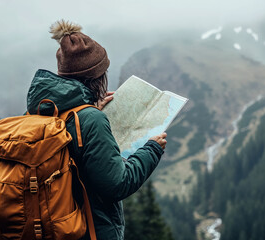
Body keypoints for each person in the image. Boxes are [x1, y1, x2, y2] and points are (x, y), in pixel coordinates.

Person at [25, 19, 167, 240]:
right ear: (95, 77)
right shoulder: (91, 120)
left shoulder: (39, 111)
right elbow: (118, 184)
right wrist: (152, 149)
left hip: (50, 230)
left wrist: (88, 109)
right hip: (88, 232)